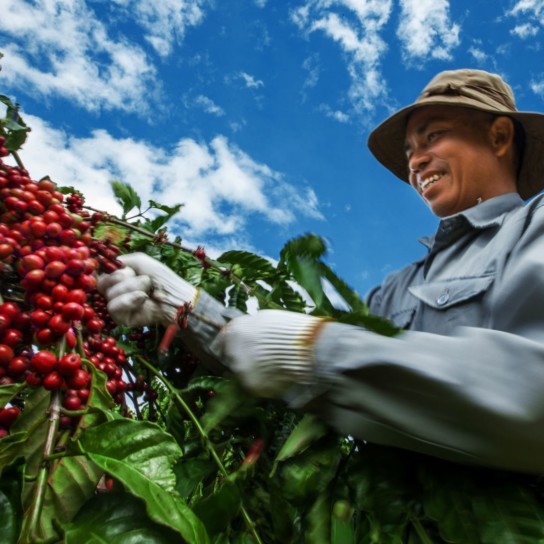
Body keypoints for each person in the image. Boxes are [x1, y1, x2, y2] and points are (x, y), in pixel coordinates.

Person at [98, 69, 544, 474]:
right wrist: (185, 307)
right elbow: (287, 371)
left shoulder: (534, 228)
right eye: (410, 150)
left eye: (434, 137)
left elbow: (532, 395)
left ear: (501, 136)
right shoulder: (398, 289)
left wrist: (317, 350)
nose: (415, 162)